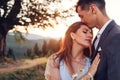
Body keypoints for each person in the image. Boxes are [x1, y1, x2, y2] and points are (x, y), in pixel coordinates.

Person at [76, 0, 120, 80]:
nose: (81, 21)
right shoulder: (97, 37)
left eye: (81, 16)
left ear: (93, 9)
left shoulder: (116, 36)